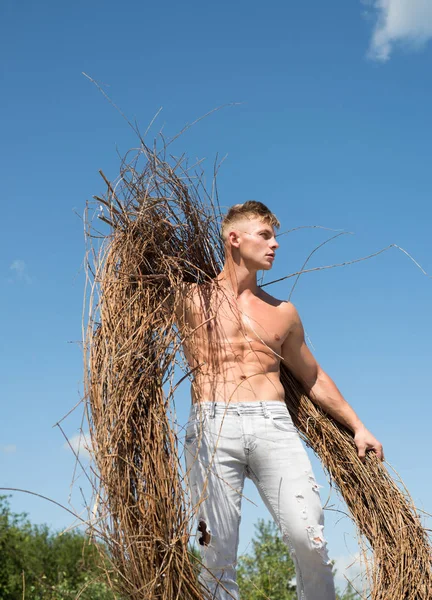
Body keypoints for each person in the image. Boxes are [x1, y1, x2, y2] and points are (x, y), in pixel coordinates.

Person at [178, 201, 383, 600]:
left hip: (272, 425)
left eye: (275, 237)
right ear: (233, 239)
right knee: (215, 553)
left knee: (310, 541)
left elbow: (313, 376)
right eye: (265, 235)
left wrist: (358, 426)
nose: (275, 245)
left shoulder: (282, 312)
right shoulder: (188, 300)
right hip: (210, 425)